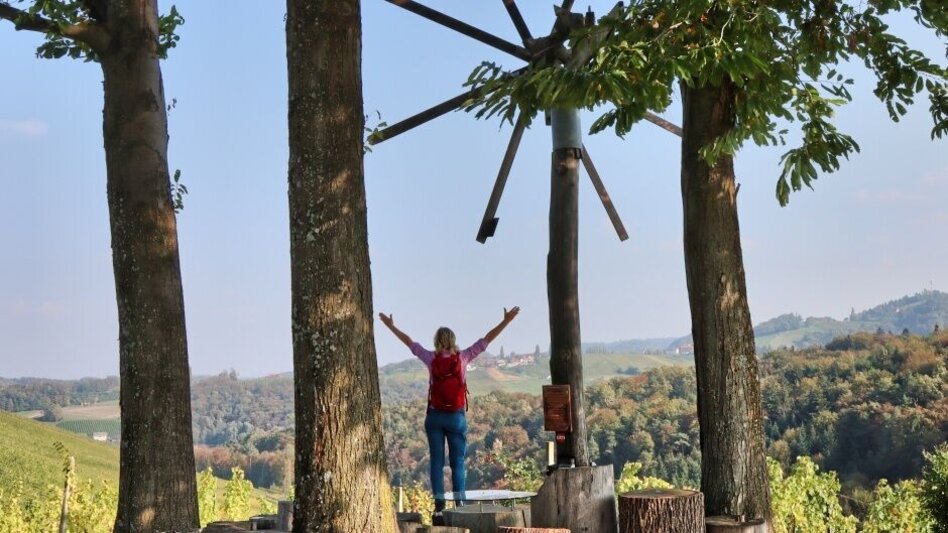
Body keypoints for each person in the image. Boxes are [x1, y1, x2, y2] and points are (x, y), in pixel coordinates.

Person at [379, 307, 520, 514]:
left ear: (437, 341)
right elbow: (486, 340)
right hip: (456, 417)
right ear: (453, 341)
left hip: (435, 417)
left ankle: (438, 504)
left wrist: (391, 326)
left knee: (436, 461)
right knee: (458, 462)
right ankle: (460, 503)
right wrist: (506, 321)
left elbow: (410, 343)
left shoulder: (430, 359)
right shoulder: (462, 358)